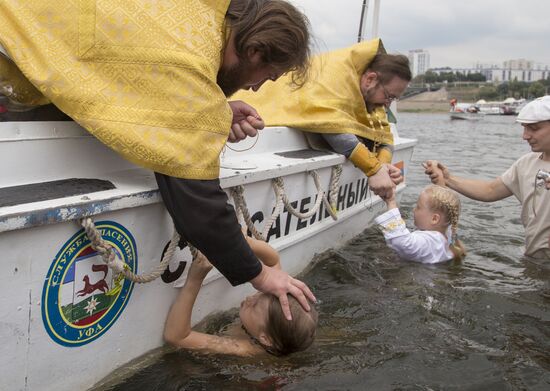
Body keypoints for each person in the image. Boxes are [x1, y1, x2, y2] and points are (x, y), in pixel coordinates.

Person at [0, 0, 315, 318]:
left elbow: (133, 75)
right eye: (267, 75)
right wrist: (261, 275)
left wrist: (217, 113)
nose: (256, 87)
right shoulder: (187, 61)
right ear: (256, 51)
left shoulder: (195, 16)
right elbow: (199, 206)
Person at [233, 38, 412, 199]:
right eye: (389, 96)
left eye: (393, 99)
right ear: (370, 79)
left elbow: (384, 136)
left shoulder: (373, 99)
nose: (388, 105)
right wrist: (374, 169)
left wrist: (384, 166)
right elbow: (331, 126)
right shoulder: (335, 77)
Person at [425, 96, 550, 259]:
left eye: (533, 128)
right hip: (533, 258)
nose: (525, 136)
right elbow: (490, 190)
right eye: (524, 128)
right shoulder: (526, 163)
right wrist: (448, 179)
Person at [164, 234, 318, 356]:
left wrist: (195, 279)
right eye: (260, 294)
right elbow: (273, 261)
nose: (250, 298)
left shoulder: (241, 347)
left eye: (255, 305)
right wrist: (243, 243)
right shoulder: (269, 315)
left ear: (265, 339)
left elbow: (177, 337)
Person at [375, 184, 466, 264]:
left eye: (418, 207)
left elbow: (402, 243)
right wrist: (440, 179)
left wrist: (391, 202)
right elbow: (446, 206)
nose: (414, 210)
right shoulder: (446, 235)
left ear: (434, 219)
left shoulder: (430, 242)